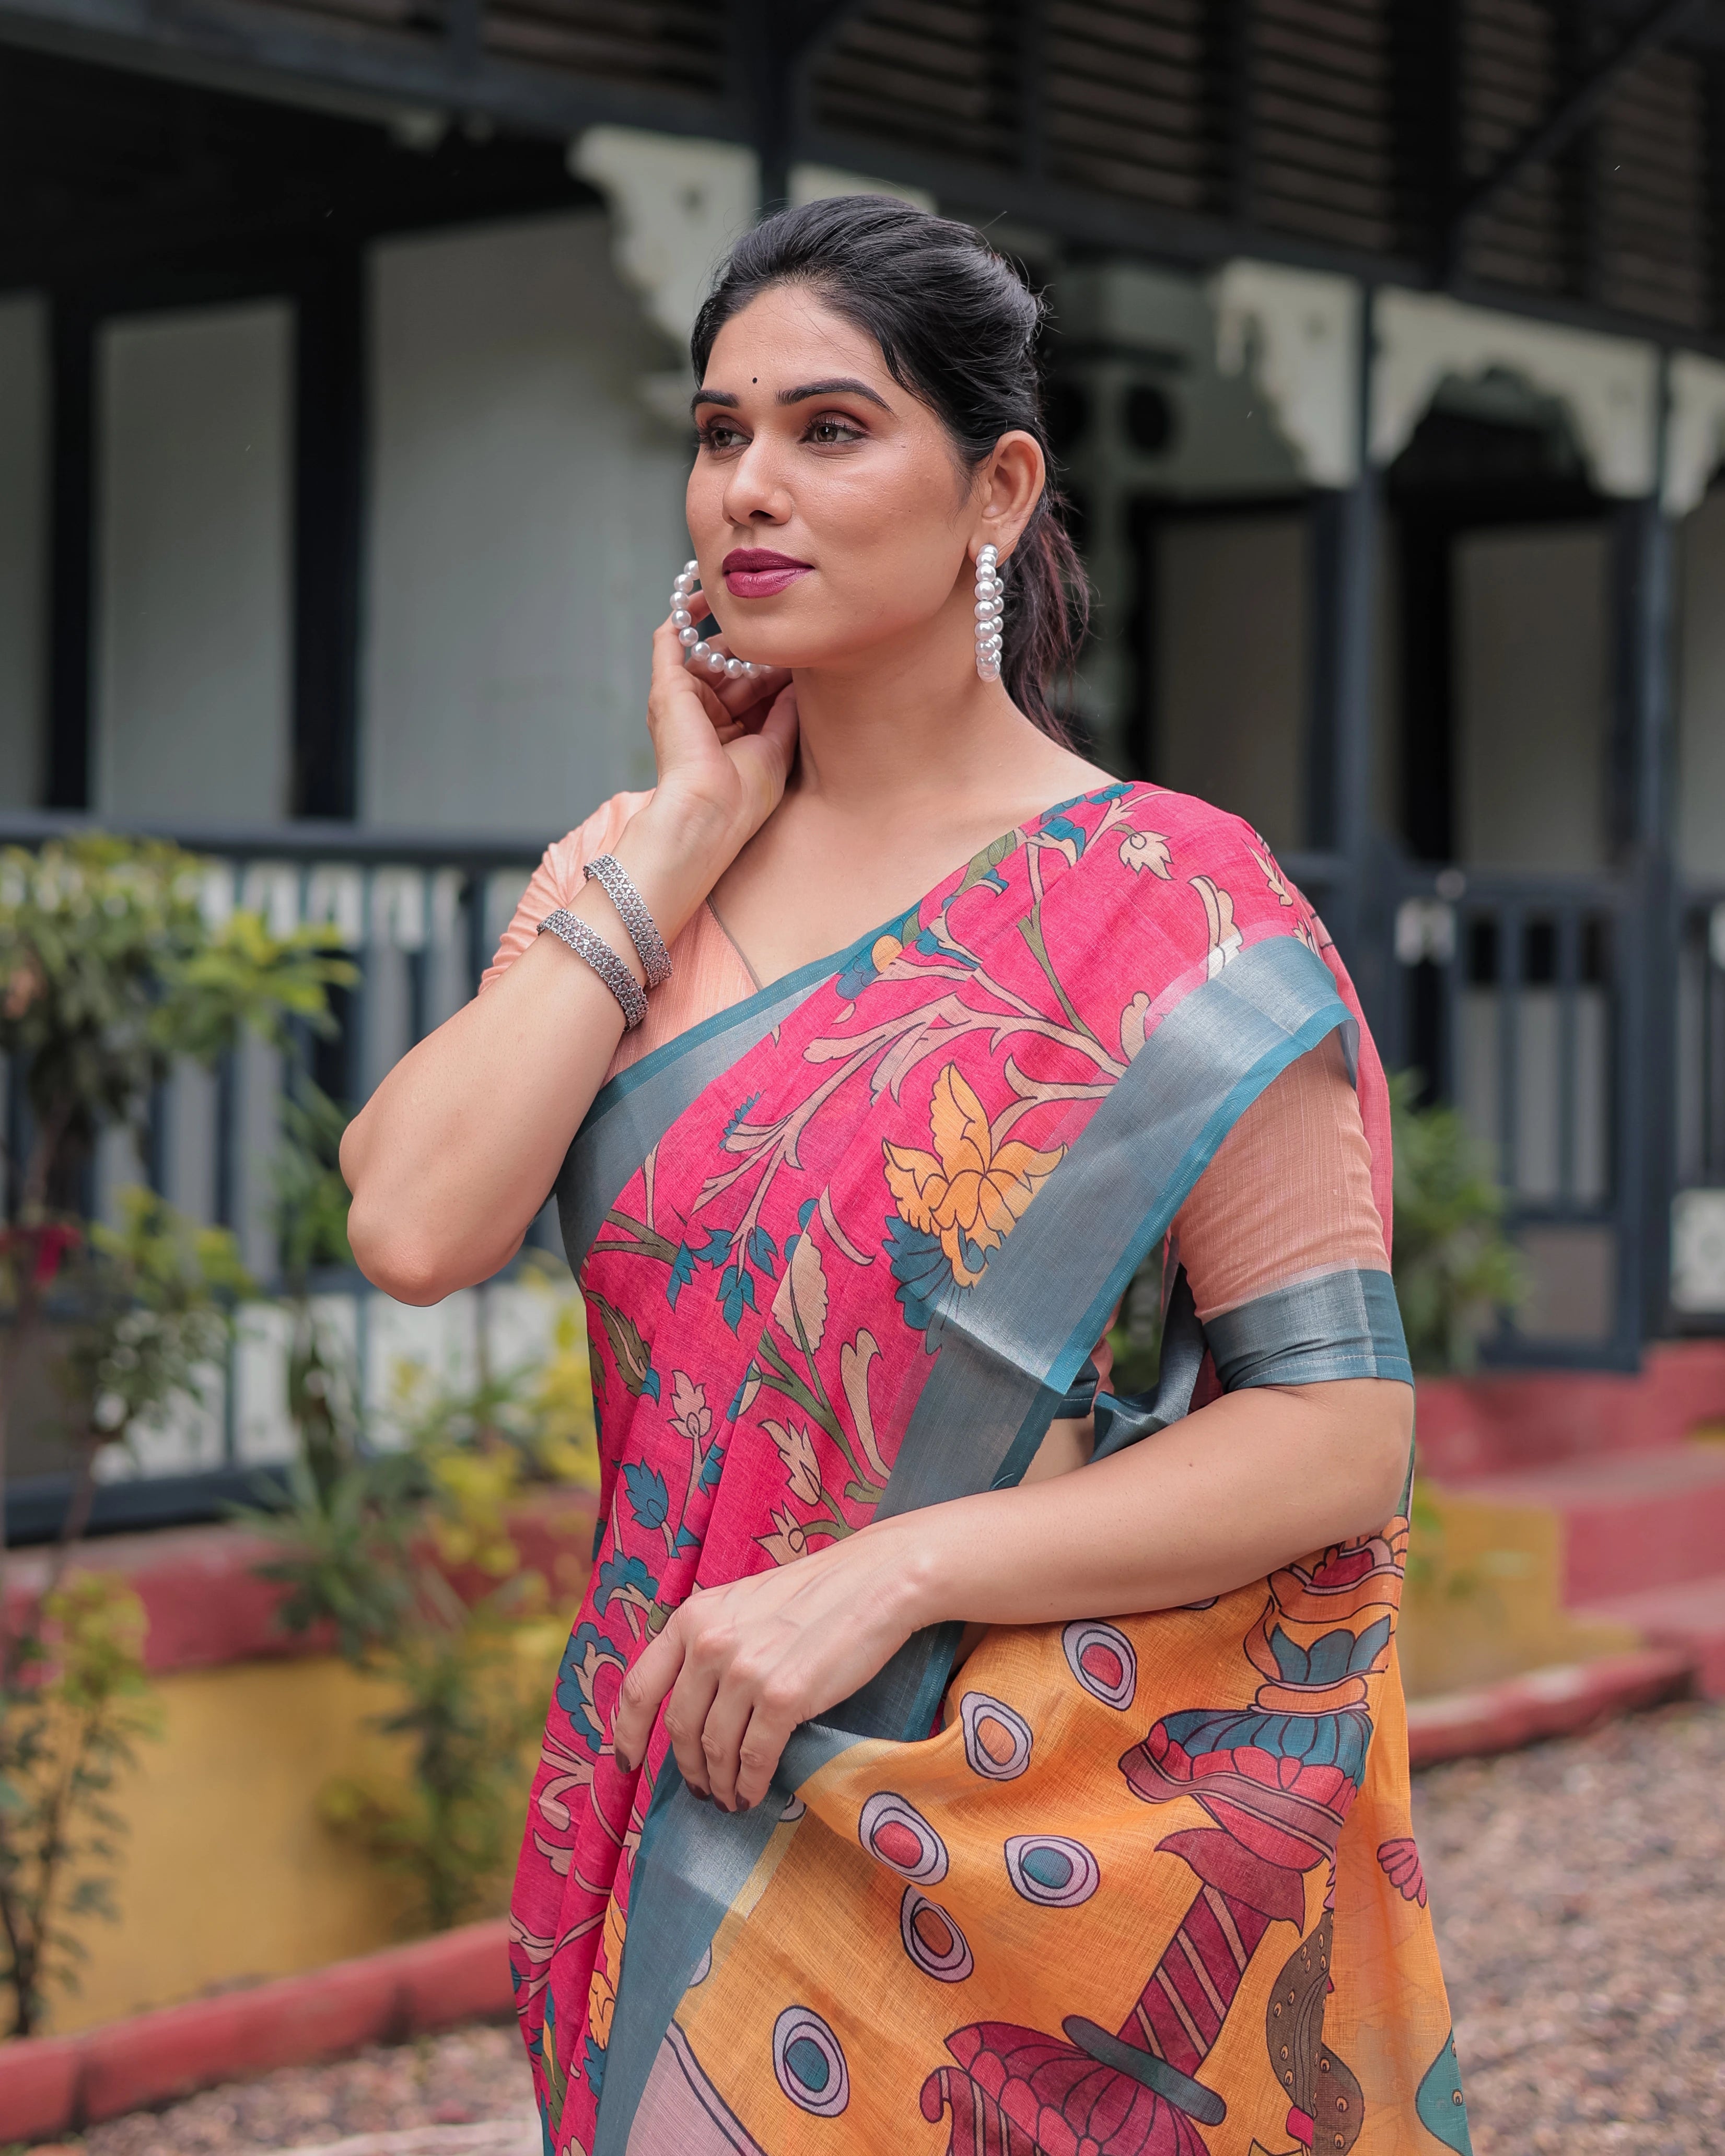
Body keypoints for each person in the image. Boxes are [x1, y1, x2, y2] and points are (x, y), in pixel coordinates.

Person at [341, 197, 1468, 2156]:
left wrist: (881, 1575)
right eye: (717, 435)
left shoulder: (1170, 905)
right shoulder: (640, 881)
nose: (748, 491)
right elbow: (416, 1223)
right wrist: (690, 821)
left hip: (1008, 1820)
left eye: (830, 429)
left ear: (998, 487)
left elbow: (1340, 1432)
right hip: (673, 1789)